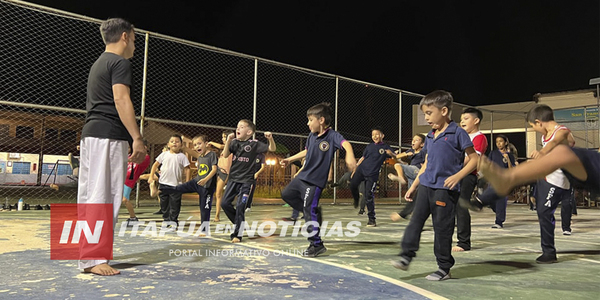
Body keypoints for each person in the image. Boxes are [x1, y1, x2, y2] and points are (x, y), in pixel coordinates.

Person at [77, 18, 145, 276]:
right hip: (107, 136)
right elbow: (120, 98)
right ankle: (94, 258)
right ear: (125, 37)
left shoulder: (99, 63)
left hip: (93, 135)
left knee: (91, 196)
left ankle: (89, 255)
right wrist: (137, 137)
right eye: (135, 40)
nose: (135, 46)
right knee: (104, 197)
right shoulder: (119, 62)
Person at [391, 90, 478, 281]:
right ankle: (406, 256)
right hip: (426, 187)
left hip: (445, 190)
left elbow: (474, 159)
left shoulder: (458, 133)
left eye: (429, 113)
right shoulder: (430, 136)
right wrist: (414, 187)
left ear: (444, 110)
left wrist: (458, 176)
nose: (426, 117)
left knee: (442, 229)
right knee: (415, 222)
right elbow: (427, 163)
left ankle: (444, 267)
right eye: (424, 113)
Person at [280, 102, 357, 257]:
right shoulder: (311, 136)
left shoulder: (332, 136)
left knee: (309, 210)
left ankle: (316, 245)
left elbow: (346, 144)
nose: (307, 123)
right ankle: (313, 212)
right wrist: (290, 160)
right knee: (286, 195)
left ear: (321, 120)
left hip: (314, 183)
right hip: (302, 177)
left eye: (310, 120)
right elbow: (306, 152)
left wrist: (350, 155)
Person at [221, 120, 275, 243]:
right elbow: (225, 155)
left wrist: (270, 139)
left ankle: (237, 234)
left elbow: (272, 148)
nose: (237, 128)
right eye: (237, 126)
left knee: (240, 206)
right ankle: (239, 222)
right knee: (224, 203)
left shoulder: (254, 144)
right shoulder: (234, 143)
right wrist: (228, 141)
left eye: (241, 127)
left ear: (249, 132)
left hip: (246, 181)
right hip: (233, 179)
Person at [161, 135, 217, 236]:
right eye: (195, 145)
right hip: (197, 182)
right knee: (177, 189)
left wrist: (205, 179)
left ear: (206, 144)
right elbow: (191, 151)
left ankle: (204, 230)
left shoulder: (211, 155)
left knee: (204, 209)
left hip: (207, 186)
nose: (197, 146)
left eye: (199, 144)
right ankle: (164, 191)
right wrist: (184, 143)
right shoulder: (201, 156)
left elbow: (214, 169)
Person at [453, 108, 488, 252]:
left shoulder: (479, 137)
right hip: (455, 174)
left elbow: (472, 159)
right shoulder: (460, 136)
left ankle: (464, 242)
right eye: (461, 119)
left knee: (461, 205)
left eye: (466, 118)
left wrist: (454, 166)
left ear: (476, 120)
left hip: (468, 175)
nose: (462, 121)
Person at [349, 127, 393, 227]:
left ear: (382, 135)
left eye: (377, 134)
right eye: (373, 135)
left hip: (372, 174)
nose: (375, 136)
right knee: (352, 184)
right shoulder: (369, 147)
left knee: (368, 195)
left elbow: (394, 156)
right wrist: (355, 168)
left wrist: (392, 154)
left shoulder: (386, 147)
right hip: (361, 170)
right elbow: (363, 158)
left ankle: (371, 219)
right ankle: (357, 199)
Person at [148, 135, 191, 230]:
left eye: (177, 141)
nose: (174, 143)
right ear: (168, 144)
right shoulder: (164, 155)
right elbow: (155, 165)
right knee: (164, 204)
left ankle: (173, 221)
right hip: (163, 184)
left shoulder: (182, 157)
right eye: (172, 141)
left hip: (176, 185)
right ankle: (166, 220)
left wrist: (187, 182)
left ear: (181, 145)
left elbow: (187, 169)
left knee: (175, 204)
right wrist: (151, 176)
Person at [474, 135, 516, 229]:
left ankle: (499, 221)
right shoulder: (493, 153)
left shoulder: (510, 155)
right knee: (492, 200)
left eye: (501, 141)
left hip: (504, 181)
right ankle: (497, 211)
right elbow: (488, 165)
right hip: (493, 180)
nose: (499, 143)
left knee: (501, 200)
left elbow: (512, 169)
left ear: (505, 142)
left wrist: (508, 159)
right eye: (497, 142)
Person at [388, 134, 426, 221]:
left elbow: (426, 163)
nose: (413, 141)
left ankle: (401, 178)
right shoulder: (411, 151)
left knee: (398, 165)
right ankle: (415, 217)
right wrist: (393, 154)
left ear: (422, 144)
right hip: (412, 173)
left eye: (417, 140)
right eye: (413, 140)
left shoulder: (423, 151)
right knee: (412, 196)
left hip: (417, 170)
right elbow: (397, 157)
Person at [122, 140, 152, 225]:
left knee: (125, 199)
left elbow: (136, 161)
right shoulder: (131, 156)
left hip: (129, 180)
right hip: (122, 178)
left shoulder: (145, 157)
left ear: (145, 148)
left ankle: (133, 217)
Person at [208, 130, 233, 222]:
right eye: (222, 137)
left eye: (224, 137)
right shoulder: (223, 150)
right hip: (218, 170)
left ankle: (217, 215)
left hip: (225, 173)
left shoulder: (231, 146)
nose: (222, 139)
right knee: (217, 193)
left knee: (219, 194)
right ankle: (216, 214)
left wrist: (211, 142)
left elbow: (222, 146)